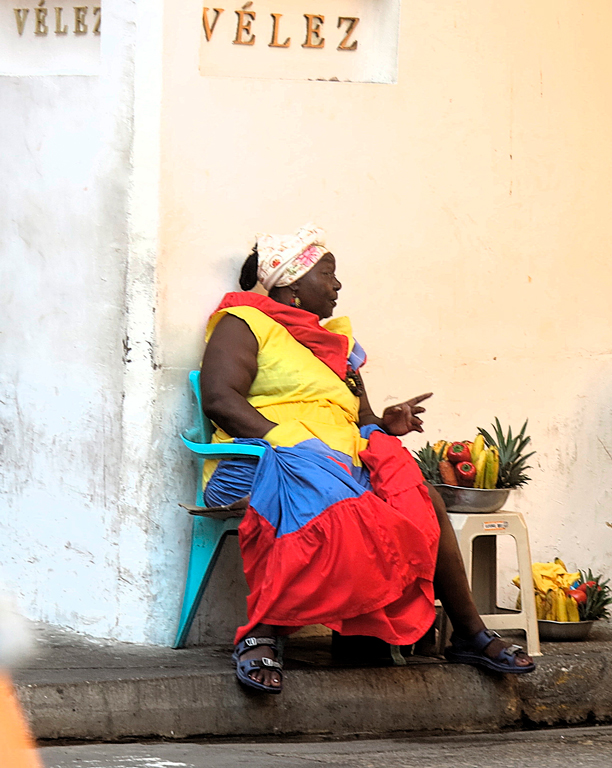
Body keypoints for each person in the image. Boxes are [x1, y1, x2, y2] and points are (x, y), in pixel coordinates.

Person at [200, 223, 535, 693]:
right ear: (293, 285)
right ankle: (264, 632)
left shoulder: (336, 347)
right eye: (328, 274)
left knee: (420, 499)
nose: (337, 286)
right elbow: (219, 398)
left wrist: (386, 423)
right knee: (326, 497)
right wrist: (291, 443)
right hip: (257, 459)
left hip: (339, 461)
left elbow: (361, 421)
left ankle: (469, 633)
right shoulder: (245, 323)